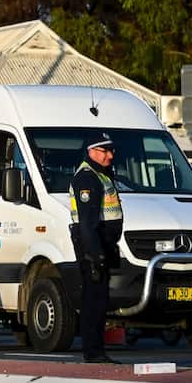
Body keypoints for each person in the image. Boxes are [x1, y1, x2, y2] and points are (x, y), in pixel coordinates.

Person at [70, 133, 123, 364]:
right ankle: (93, 352)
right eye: (105, 151)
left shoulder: (102, 174)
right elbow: (87, 222)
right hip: (93, 246)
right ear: (92, 151)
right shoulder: (87, 178)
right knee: (94, 301)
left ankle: (97, 350)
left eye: (111, 150)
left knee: (100, 300)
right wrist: (95, 254)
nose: (110, 155)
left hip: (103, 244)